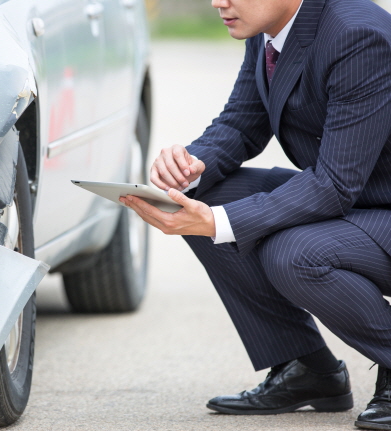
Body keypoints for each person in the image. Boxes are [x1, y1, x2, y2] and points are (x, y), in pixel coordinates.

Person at [120, 0, 391, 428]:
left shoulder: (359, 36)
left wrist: (219, 224)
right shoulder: (269, 28)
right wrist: (190, 169)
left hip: (375, 205)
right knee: (202, 199)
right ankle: (306, 369)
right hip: (355, 197)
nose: (218, 3)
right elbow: (241, 124)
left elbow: (335, 185)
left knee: (294, 254)